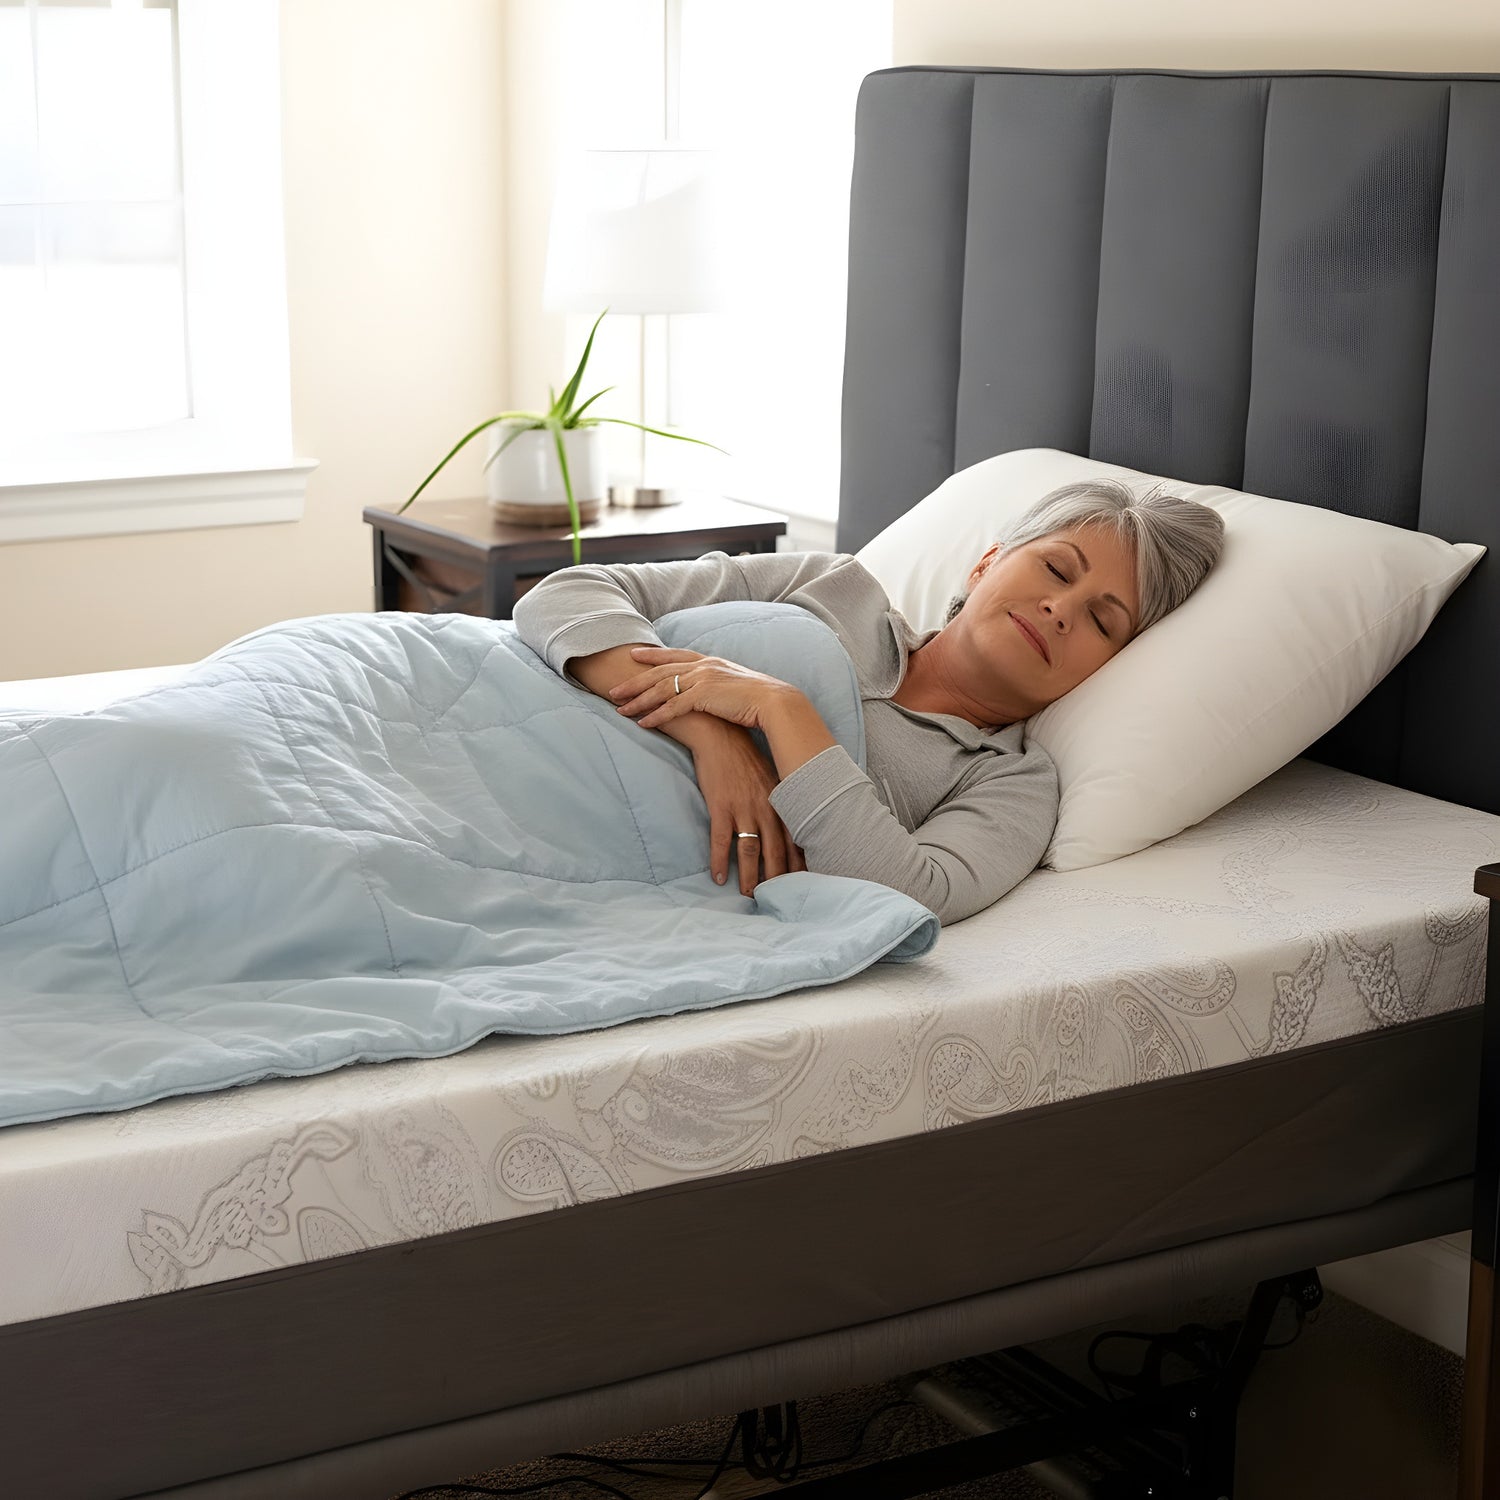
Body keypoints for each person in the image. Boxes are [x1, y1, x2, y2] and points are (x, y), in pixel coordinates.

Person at [512, 479, 1225, 925]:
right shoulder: (832, 586)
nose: (1061, 609)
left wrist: (782, 712)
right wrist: (712, 734)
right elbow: (567, 593)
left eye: (1103, 621)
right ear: (986, 563)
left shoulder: (1011, 782)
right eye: (1055, 568)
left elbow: (912, 896)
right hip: (513, 705)